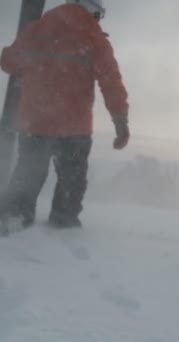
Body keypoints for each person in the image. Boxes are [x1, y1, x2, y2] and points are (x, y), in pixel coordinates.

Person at [0, 0, 129, 229]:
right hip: (74, 127)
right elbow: (112, 83)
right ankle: (64, 222)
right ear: (94, 11)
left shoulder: (39, 28)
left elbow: (9, 63)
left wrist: (27, 55)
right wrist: (120, 121)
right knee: (72, 179)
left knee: (29, 171)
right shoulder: (95, 39)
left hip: (35, 123)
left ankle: (15, 217)